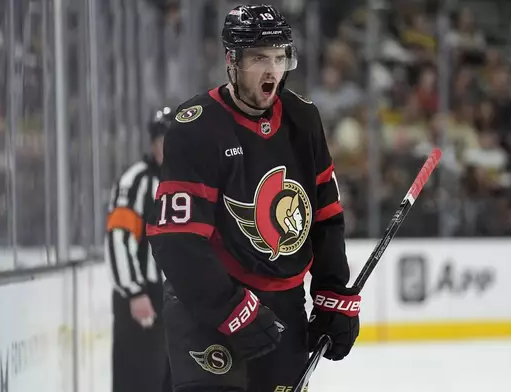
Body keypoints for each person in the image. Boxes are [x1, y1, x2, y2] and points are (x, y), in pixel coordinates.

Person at [146, 4, 360, 392]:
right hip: (208, 310)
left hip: (284, 309)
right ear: (232, 61)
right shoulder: (196, 126)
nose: (273, 70)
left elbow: (326, 217)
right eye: (260, 58)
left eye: (280, 57)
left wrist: (332, 291)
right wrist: (230, 309)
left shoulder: (303, 119)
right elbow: (175, 240)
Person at [105, 107, 174, 392]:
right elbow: (119, 237)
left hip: (179, 303)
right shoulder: (135, 181)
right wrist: (133, 291)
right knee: (139, 380)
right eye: (160, 139)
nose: (165, 147)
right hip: (144, 298)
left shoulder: (195, 181)